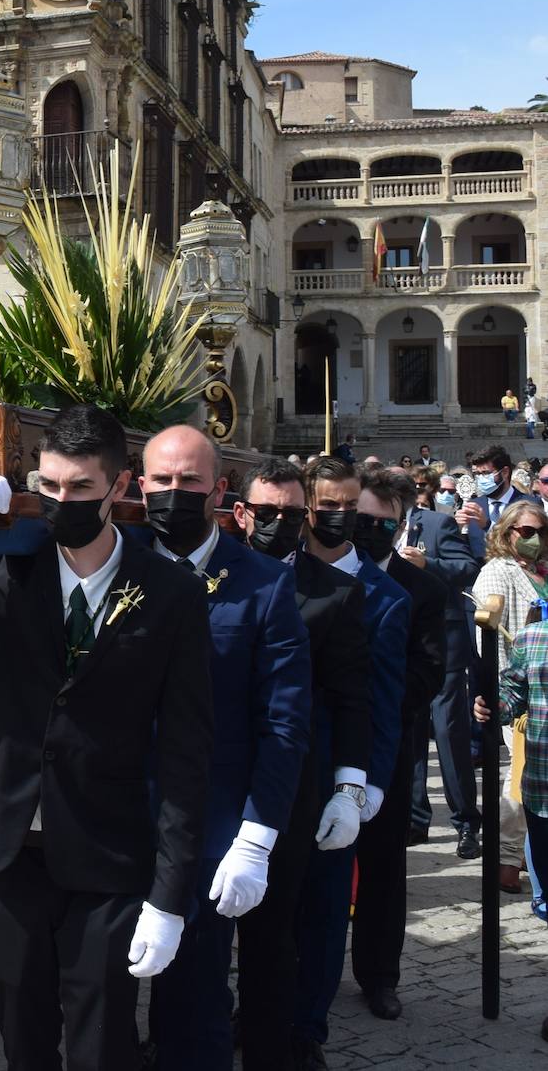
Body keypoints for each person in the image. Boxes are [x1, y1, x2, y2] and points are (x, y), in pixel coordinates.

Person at [0, 404, 215, 1071]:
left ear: (119, 486)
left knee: (102, 1035)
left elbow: (186, 750)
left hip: (107, 846)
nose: (62, 501)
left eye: (80, 488)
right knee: (21, 1026)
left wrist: (170, 897)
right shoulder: (1, 571)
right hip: (7, 844)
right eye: (49, 486)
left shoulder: (171, 592)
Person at [137, 427, 310, 1071]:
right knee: (96, 999)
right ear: (139, 483)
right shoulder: (113, 563)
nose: (174, 493)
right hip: (112, 821)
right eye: (162, 480)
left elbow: (284, 720)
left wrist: (256, 837)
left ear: (217, 489)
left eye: (189, 482)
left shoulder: (262, 584)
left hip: (211, 828)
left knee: (195, 1002)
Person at [232, 458, 370, 1071]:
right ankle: (187, 1035)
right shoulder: (201, 574)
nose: (280, 523)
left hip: (291, 779)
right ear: (243, 513)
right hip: (207, 774)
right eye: (268, 513)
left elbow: (353, 698)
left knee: (276, 930)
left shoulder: (335, 590)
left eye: (292, 514)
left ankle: (278, 1043)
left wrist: (350, 785)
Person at [291, 455, 409, 1070]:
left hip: (339, 773)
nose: (337, 517)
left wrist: (365, 789)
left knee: (326, 908)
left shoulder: (385, 598)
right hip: (271, 770)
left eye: (348, 506)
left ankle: (308, 1028)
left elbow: (384, 703)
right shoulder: (270, 574)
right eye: (326, 505)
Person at [348, 468, 446, 1021]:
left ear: (402, 525)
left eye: (382, 524)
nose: (369, 531)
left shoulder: (423, 590)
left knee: (383, 864)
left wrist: (369, 702)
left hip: (387, 743)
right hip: (323, 739)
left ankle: (380, 974)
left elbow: (428, 671)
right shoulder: (319, 570)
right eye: (361, 520)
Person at [471, 501, 548, 894]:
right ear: (507, 532)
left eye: (540, 531)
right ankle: (504, 860)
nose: (534, 538)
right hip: (519, 693)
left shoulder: (540, 571)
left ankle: (517, 858)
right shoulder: (496, 572)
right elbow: (491, 640)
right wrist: (504, 695)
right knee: (520, 781)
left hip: (543, 686)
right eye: (526, 531)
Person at [405, 482, 483, 859]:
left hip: (444, 641)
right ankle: (416, 819)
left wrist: (427, 564)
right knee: (411, 730)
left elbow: (467, 567)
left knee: (449, 730)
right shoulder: (369, 528)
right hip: (401, 644)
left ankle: (467, 822)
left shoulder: (435, 524)